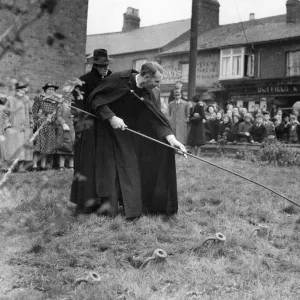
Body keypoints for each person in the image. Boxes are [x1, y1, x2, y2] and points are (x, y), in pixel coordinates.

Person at [70, 62, 186, 219]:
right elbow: (96, 99)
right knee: (107, 169)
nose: (158, 85)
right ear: (145, 76)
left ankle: (132, 206)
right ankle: (102, 208)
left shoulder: (150, 92)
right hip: (103, 131)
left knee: (129, 166)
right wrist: (111, 117)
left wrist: (171, 139)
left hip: (125, 132)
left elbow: (154, 118)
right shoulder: (118, 79)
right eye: (156, 81)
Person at [2, 82, 33, 171]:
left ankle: (21, 167)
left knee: (23, 147)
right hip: (13, 127)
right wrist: (7, 125)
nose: (23, 90)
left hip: (25, 127)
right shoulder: (10, 99)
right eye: (21, 89)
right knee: (12, 148)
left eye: (24, 88)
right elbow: (5, 113)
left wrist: (31, 124)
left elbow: (31, 113)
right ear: (17, 90)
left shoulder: (27, 100)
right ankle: (10, 167)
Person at [32, 83, 60, 170]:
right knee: (38, 145)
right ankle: (34, 165)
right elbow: (34, 111)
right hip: (40, 124)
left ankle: (43, 165)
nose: (51, 91)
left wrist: (51, 120)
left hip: (50, 125)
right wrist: (37, 121)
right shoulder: (39, 98)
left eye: (53, 90)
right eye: (49, 89)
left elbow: (56, 113)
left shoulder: (56, 101)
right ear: (45, 90)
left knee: (47, 146)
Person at [56, 101, 75, 170]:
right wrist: (63, 124)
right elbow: (58, 116)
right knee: (63, 146)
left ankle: (71, 165)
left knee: (72, 146)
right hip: (63, 129)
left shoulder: (74, 104)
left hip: (72, 128)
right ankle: (61, 165)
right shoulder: (61, 106)